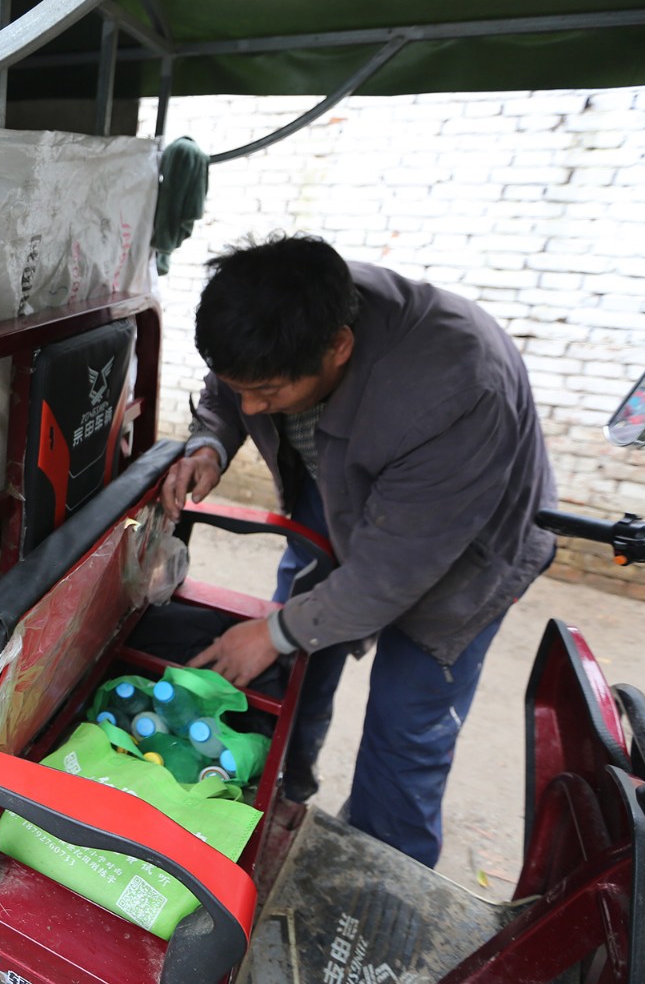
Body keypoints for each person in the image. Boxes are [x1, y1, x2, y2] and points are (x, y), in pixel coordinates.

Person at [159, 232, 556, 867]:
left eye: (267, 394)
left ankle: (375, 877)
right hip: (337, 490)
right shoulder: (279, 319)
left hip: (459, 549)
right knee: (297, 662)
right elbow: (230, 392)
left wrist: (273, 631)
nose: (250, 405)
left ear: (339, 348)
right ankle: (285, 791)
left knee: (403, 732)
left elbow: (389, 574)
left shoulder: (457, 389)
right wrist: (209, 442)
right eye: (243, 387)